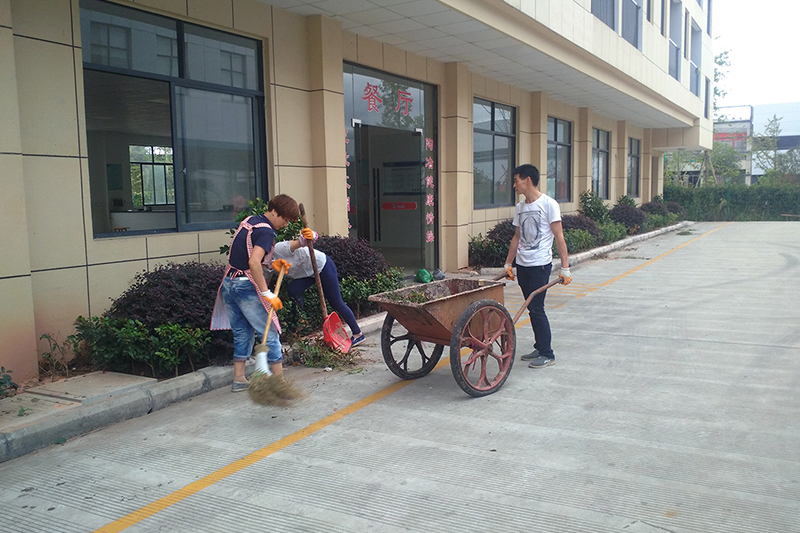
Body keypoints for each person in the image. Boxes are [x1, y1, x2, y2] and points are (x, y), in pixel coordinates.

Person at [210, 194, 302, 391]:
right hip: (246, 287)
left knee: (242, 332)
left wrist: (272, 264)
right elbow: (253, 262)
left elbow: (247, 256)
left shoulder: (250, 221)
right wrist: (267, 293)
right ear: (275, 212)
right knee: (269, 332)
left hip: (229, 282)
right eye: (284, 219)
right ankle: (279, 382)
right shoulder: (267, 231)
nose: (285, 224)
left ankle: (239, 379)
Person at [503, 164, 572, 369]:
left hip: (540, 265)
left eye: (516, 180)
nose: (514, 185)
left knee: (537, 308)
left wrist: (565, 268)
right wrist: (509, 263)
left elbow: (559, 236)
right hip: (523, 265)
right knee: (531, 308)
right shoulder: (520, 207)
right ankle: (540, 346)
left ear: (528, 180)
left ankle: (547, 353)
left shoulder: (549, 204)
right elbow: (517, 236)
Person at [271, 232, 365, 346]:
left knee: (335, 302)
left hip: (322, 265)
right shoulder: (263, 263)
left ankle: (358, 333)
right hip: (305, 274)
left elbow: (303, 242)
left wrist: (310, 236)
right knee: (293, 291)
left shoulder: (279, 249)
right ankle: (301, 324)